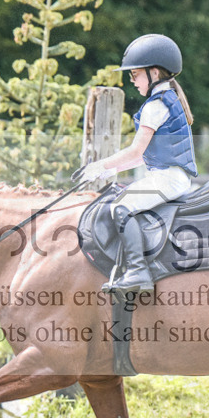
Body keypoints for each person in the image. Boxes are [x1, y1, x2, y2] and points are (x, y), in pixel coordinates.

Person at [75, 33, 198, 291]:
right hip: (169, 176)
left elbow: (134, 151)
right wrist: (105, 172)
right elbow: (142, 156)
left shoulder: (158, 105)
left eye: (135, 75)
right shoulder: (166, 99)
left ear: (154, 73)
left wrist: (100, 166)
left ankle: (138, 272)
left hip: (169, 179)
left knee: (120, 206)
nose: (132, 81)